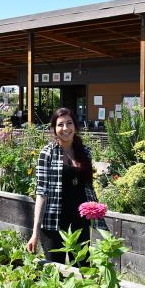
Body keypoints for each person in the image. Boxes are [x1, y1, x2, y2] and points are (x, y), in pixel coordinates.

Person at [26, 107, 97, 263]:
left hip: (80, 222)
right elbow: (41, 192)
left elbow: (89, 187)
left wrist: (96, 214)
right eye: (60, 124)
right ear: (54, 129)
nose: (65, 128)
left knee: (82, 269)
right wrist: (35, 233)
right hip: (54, 222)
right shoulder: (47, 153)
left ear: (75, 126)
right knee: (54, 271)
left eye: (69, 123)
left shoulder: (85, 152)